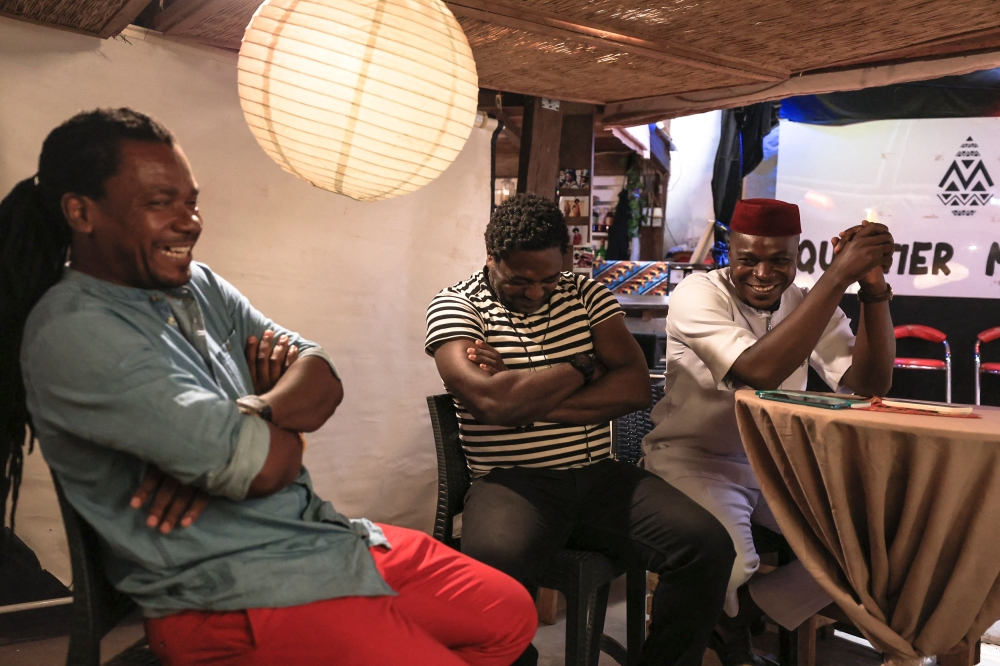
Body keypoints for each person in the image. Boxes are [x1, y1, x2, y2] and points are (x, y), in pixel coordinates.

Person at [3, 108, 536, 665]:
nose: (189, 222)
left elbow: (323, 376)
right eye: (160, 203)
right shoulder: (76, 330)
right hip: (235, 595)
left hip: (321, 539)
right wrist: (268, 438)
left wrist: (252, 415)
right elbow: (267, 467)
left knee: (510, 614)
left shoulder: (198, 285)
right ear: (81, 212)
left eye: (191, 201)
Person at [424, 193, 736, 666]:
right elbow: (487, 401)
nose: (536, 292)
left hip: (597, 475)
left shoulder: (585, 294)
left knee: (708, 547)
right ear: (491, 258)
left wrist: (522, 399)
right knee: (493, 584)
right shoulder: (456, 305)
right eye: (519, 282)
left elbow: (632, 387)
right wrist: (586, 365)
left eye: (548, 278)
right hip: (511, 480)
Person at [643, 198, 895, 666]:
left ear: (797, 253)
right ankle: (713, 631)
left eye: (779, 259)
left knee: (871, 540)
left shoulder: (802, 300)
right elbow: (757, 371)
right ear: (729, 251)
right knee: (730, 563)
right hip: (692, 460)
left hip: (772, 466)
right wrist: (837, 277)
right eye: (748, 259)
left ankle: (745, 616)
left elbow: (869, 384)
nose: (762, 272)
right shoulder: (697, 293)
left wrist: (872, 288)